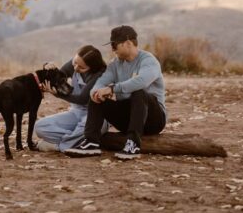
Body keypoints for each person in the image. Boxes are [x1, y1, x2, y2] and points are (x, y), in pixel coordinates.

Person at [65, 24, 167, 161]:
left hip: (153, 119)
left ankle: (133, 144)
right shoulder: (115, 64)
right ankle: (91, 142)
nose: (112, 49)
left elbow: (141, 81)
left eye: (114, 45)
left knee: (138, 92)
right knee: (97, 96)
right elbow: (100, 83)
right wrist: (96, 92)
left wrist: (113, 88)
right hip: (127, 119)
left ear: (128, 43)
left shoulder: (148, 61)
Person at [33, 44, 107, 153]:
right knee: (40, 127)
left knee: (87, 129)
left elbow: (82, 99)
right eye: (75, 63)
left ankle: (59, 146)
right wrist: (49, 67)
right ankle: (76, 140)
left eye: (81, 67)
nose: (76, 68)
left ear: (92, 68)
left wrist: (58, 94)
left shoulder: (100, 75)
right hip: (75, 112)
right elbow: (59, 76)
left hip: (95, 117)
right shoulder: (76, 63)